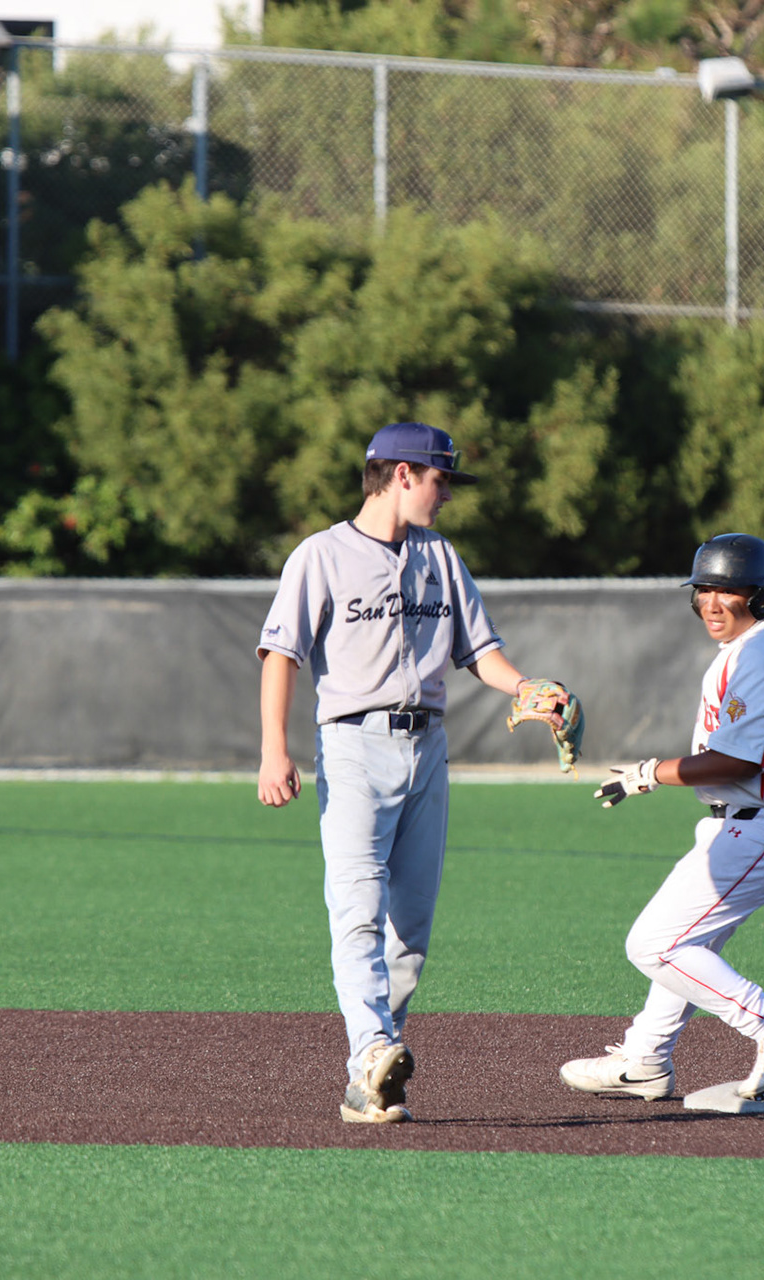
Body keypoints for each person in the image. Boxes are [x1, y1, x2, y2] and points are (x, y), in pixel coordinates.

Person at [257, 421, 568, 1124]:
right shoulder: (321, 555)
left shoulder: (439, 556)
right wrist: (274, 749)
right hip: (354, 745)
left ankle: (372, 1076)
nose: (446, 494)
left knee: (411, 932)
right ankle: (371, 1048)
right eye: (439, 479)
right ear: (402, 475)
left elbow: (479, 651)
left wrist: (527, 688)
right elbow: (281, 654)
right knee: (358, 910)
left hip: (428, 749)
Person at [563, 533, 764, 1102]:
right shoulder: (756, 650)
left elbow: (740, 759)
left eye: (727, 590)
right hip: (753, 821)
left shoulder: (760, 654)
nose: (711, 602)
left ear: (759, 596)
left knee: (653, 944)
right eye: (703, 590)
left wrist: (649, 773)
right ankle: (646, 1058)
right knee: (691, 943)